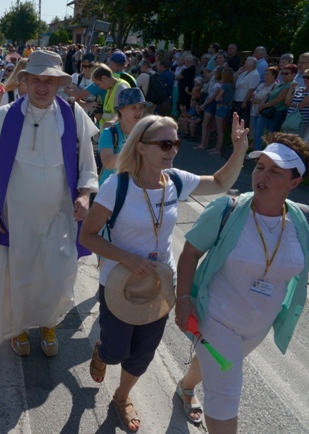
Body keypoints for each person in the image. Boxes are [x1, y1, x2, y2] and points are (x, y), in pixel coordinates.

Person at [79, 113, 247, 432]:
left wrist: (238, 150)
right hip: (119, 284)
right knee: (116, 351)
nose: (173, 150)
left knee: (142, 353)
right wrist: (126, 258)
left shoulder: (176, 181)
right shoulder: (118, 184)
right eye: (165, 143)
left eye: (177, 143)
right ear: (141, 147)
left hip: (160, 285)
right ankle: (102, 352)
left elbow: (223, 183)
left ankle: (122, 396)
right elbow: (87, 236)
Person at [174, 133, 309, 434]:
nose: (261, 176)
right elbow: (190, 252)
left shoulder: (307, 221)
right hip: (216, 318)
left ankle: (185, 386)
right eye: (260, 167)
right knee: (225, 396)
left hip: (259, 325)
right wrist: (184, 298)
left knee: (211, 366)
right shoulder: (226, 210)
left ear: (294, 183)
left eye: (274, 171)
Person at [0, 50, 98, 357]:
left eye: (49, 80)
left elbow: (87, 161)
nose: (42, 87)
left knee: (57, 275)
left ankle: (48, 322)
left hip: (60, 215)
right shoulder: (4, 117)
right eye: (36, 80)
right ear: (25, 81)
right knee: (21, 275)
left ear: (58, 83)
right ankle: (17, 327)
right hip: (17, 214)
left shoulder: (73, 112)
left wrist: (84, 194)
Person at [97, 88, 150, 185]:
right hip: (110, 191)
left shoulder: (147, 134)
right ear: (121, 109)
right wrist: (135, 151)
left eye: (141, 107)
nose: (138, 111)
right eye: (133, 107)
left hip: (136, 189)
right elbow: (108, 163)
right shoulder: (109, 133)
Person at [259, 64, 297, 133]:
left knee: (273, 133)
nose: (283, 75)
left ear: (293, 74)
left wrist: (264, 106)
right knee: (268, 132)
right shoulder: (282, 84)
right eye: (282, 73)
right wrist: (263, 103)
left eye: (286, 73)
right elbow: (271, 94)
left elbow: (279, 99)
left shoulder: (289, 85)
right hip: (272, 111)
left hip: (278, 112)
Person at [250, 67, 279, 151]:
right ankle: (255, 149)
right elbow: (254, 93)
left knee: (260, 132)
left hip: (263, 111)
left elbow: (270, 99)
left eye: (267, 74)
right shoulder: (262, 84)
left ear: (274, 75)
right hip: (255, 110)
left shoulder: (275, 86)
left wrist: (258, 101)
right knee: (255, 131)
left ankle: (257, 151)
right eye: (265, 74)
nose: (265, 76)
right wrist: (253, 99)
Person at [284, 68, 309, 136]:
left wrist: (290, 104)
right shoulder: (299, 89)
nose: (305, 79)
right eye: (304, 77)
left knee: (296, 143)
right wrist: (291, 88)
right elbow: (286, 102)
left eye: (308, 77)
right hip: (289, 118)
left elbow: (301, 105)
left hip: (300, 121)